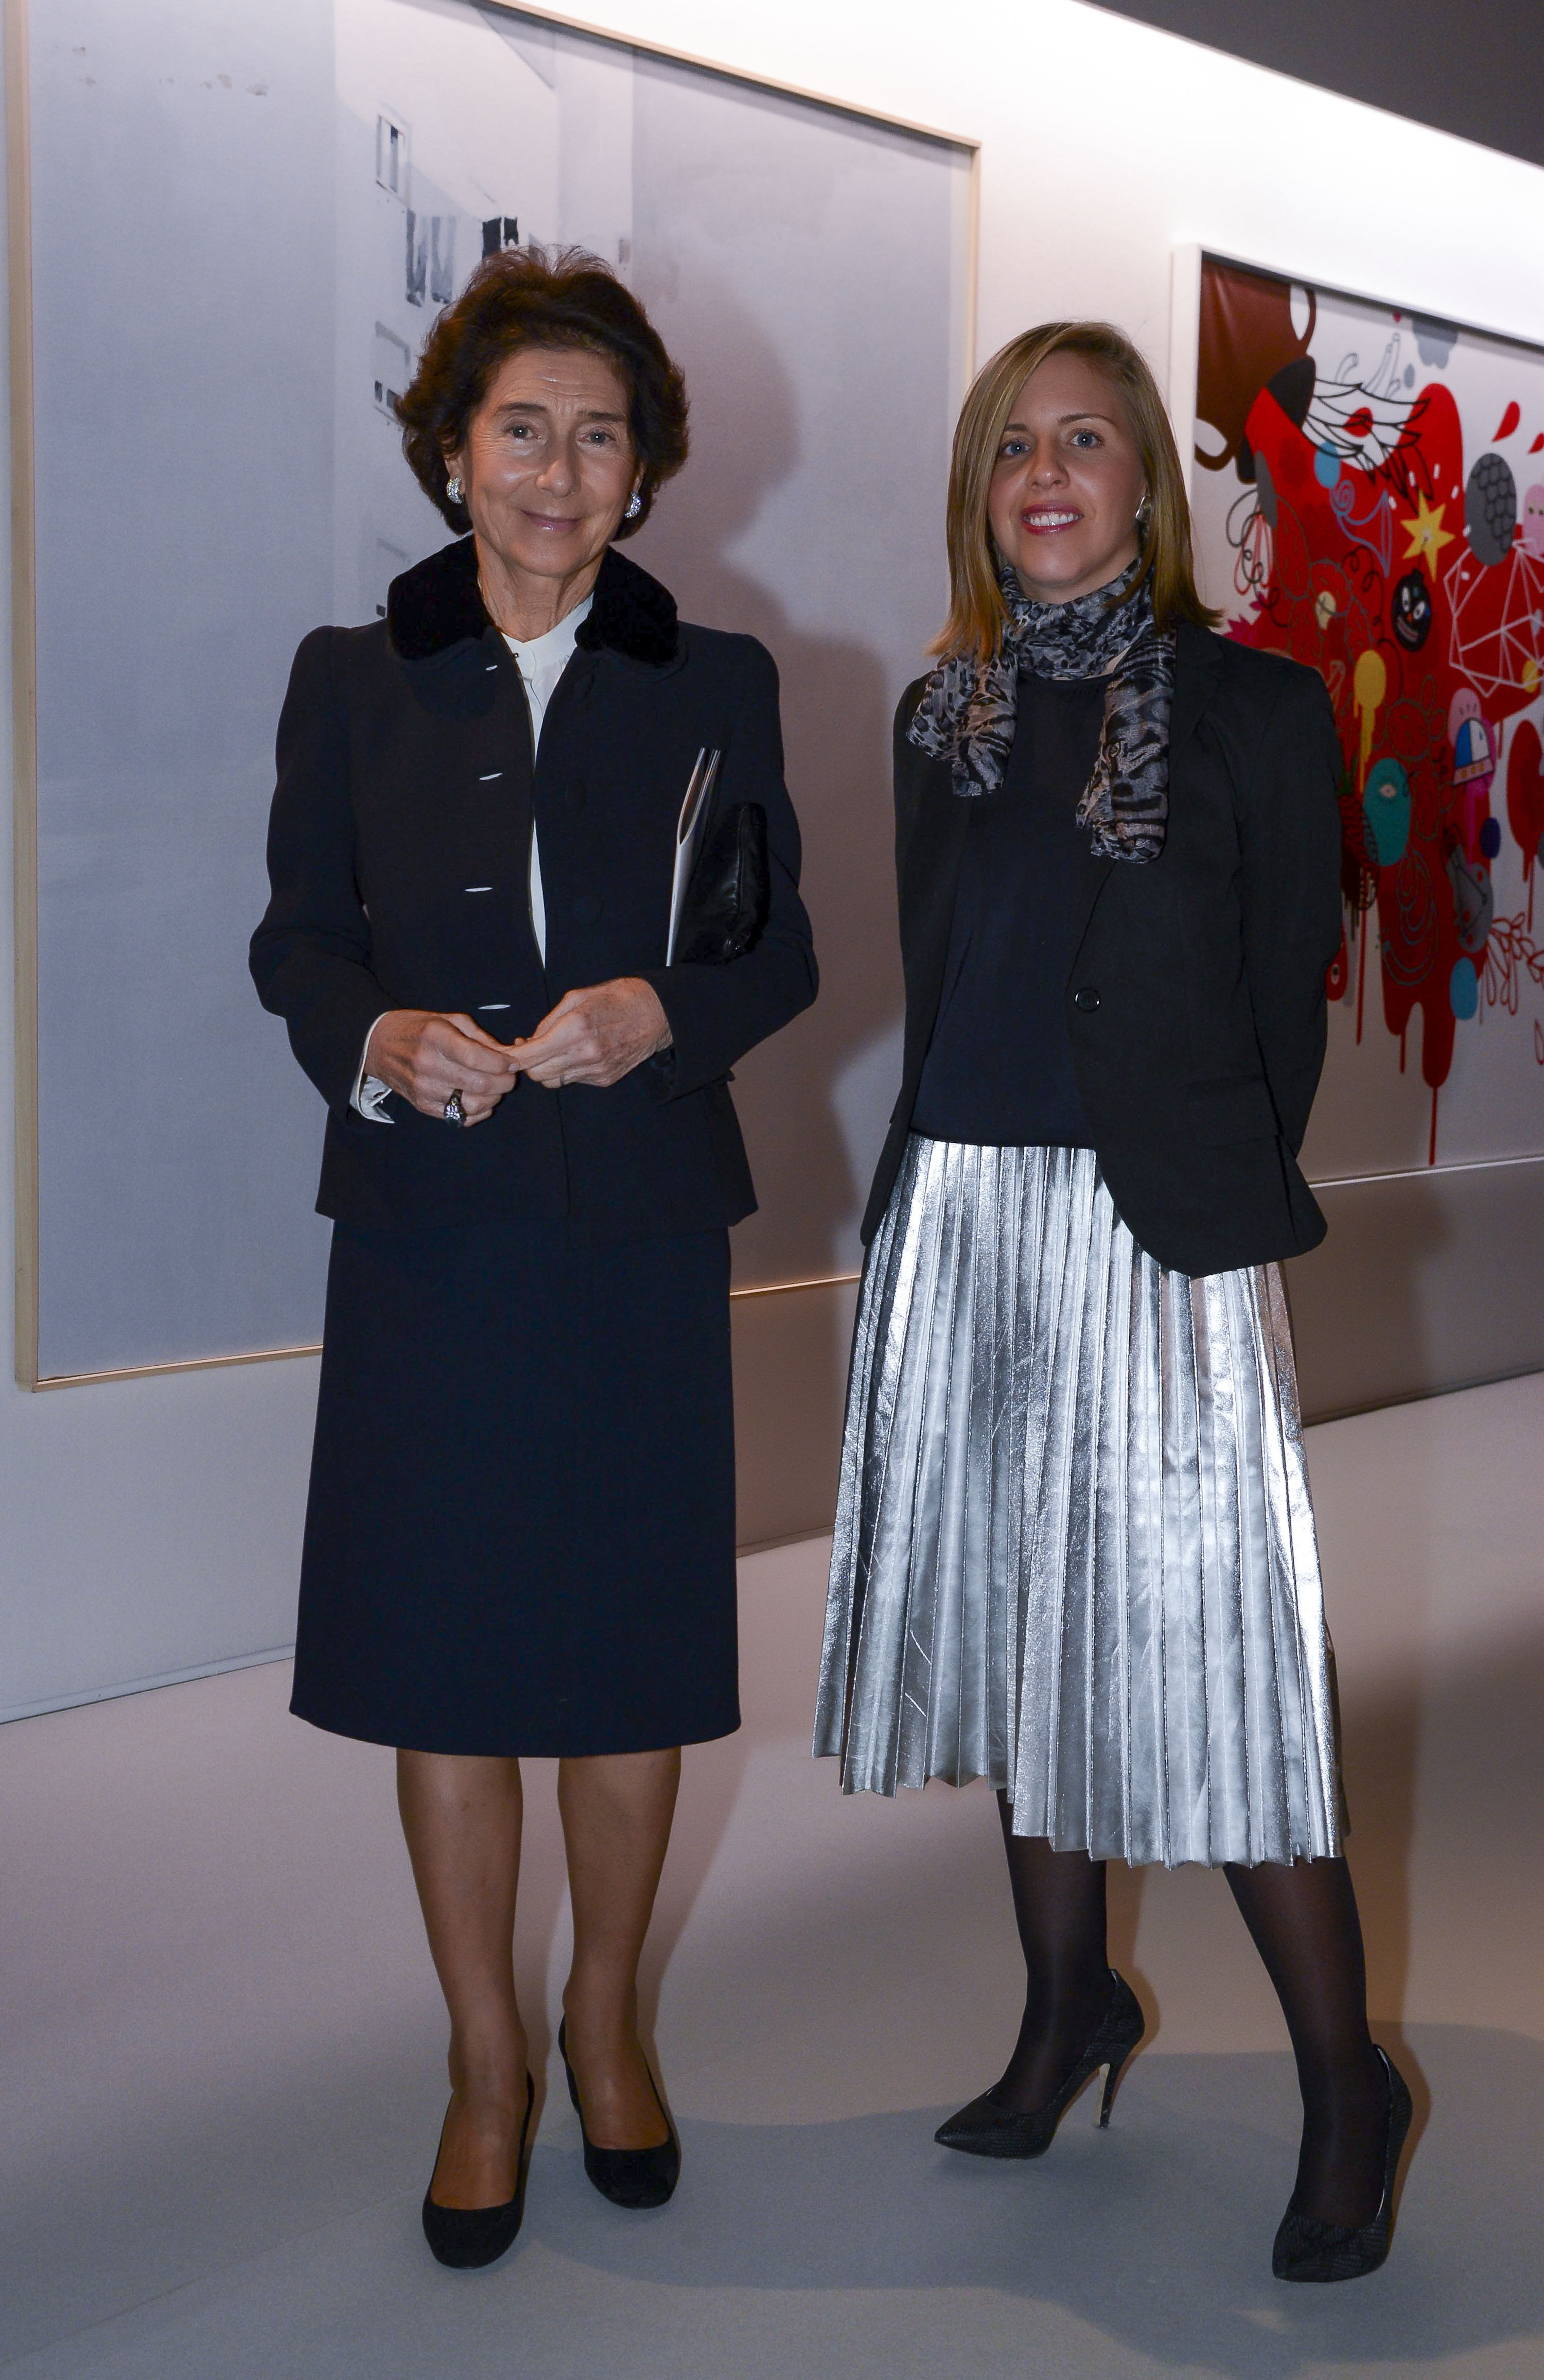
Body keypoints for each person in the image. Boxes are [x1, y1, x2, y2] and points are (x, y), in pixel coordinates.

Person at [814, 321, 1411, 2284]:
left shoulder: (1256, 706)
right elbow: (947, 961)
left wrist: (1199, 1186)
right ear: (979, 495)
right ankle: (1070, 2002)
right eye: (1012, 447)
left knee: (1220, 1671)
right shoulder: (943, 716)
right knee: (1017, 1644)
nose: (1047, 475)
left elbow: (1279, 993)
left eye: (1085, 440)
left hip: (1157, 1238)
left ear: (1148, 478)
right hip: (964, 1220)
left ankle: (1349, 2086)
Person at [251, 246, 816, 2269]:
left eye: (597, 437)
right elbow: (298, 942)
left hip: (635, 1232)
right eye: (522, 431)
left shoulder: (715, 680)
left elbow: (777, 951)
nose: (557, 472)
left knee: (623, 1660)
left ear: (642, 471)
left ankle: (606, 2019)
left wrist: (666, 1013)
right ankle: (484, 2060)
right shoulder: (350, 675)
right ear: (452, 453)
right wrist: (376, 1037)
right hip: (428, 1235)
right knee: (449, 1665)